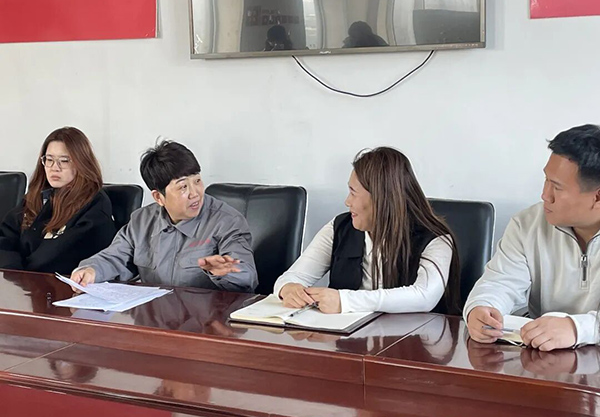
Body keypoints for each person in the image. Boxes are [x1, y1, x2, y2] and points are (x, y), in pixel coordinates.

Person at [273, 147, 460, 314]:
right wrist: (288, 289)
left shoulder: (435, 239)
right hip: (348, 337)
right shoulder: (339, 227)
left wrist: (345, 301)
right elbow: (293, 276)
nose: (347, 201)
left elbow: (425, 296)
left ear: (381, 198)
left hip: (413, 338)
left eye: (353, 192)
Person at [465, 124, 600, 351]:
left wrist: (578, 328)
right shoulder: (527, 224)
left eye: (556, 187)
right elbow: (500, 281)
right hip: (541, 357)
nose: (545, 195)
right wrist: (482, 307)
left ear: (597, 197)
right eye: (546, 180)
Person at [71, 140, 258, 292]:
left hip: (206, 320)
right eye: (183, 186)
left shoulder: (226, 221)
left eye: (197, 181)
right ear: (158, 197)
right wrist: (91, 270)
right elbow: (115, 257)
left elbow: (247, 276)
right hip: (155, 318)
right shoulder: (142, 221)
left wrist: (225, 272)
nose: (195, 193)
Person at [0, 127, 116, 274]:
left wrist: (25, 274)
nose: (55, 168)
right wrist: (15, 271)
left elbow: (62, 256)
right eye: (49, 160)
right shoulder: (36, 196)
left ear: (81, 163)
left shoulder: (94, 203)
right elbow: (5, 239)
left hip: (59, 282)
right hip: (21, 280)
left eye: (64, 161)